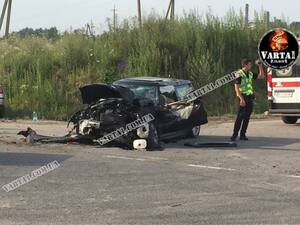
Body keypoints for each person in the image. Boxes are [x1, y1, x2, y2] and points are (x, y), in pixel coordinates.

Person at [230, 58, 264, 141]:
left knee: (247, 117)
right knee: (240, 117)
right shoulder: (239, 74)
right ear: (245, 65)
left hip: (249, 97)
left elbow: (261, 76)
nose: (251, 65)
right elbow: (236, 89)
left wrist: (260, 66)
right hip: (241, 97)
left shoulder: (250, 73)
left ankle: (242, 135)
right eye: (249, 64)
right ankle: (234, 135)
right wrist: (241, 99)